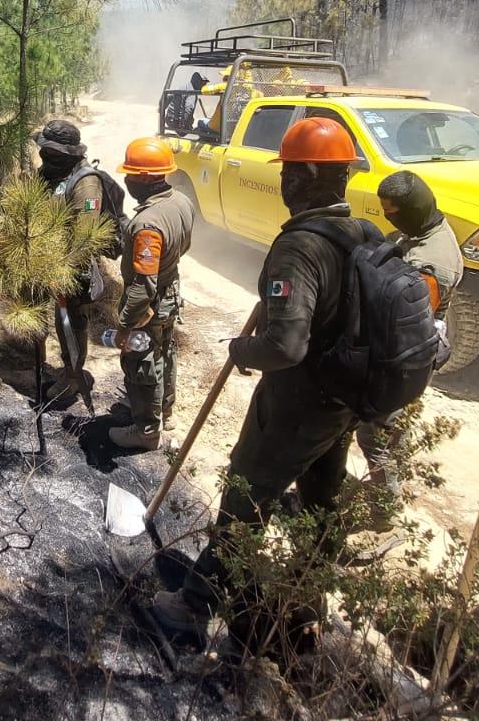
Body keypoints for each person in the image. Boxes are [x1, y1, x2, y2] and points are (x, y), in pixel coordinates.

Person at [151, 117, 375, 638]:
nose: (283, 181)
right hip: (342, 400)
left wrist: (241, 348)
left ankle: (195, 605)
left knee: (248, 493)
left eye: (289, 171)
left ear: (309, 174)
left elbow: (285, 345)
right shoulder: (362, 232)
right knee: (320, 500)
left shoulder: (300, 246)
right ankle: (304, 608)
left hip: (298, 403)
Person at [353, 170, 464, 525]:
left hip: (405, 355)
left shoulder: (434, 263)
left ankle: (385, 513)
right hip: (401, 350)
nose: (390, 218)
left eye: (394, 212)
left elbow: (409, 319)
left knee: (376, 433)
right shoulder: (421, 232)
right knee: (386, 429)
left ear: (413, 209)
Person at [109, 137, 195, 451]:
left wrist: (125, 324)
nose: (127, 180)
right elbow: (184, 246)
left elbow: (143, 284)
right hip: (171, 293)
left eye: (130, 175)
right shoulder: (182, 202)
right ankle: (167, 411)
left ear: (144, 179)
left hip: (151, 303)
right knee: (166, 351)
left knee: (141, 361)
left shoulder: (147, 224)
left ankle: (146, 430)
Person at [30, 120, 117, 402]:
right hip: (45, 257)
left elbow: (85, 236)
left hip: (71, 266)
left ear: (66, 153)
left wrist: (65, 270)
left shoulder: (85, 182)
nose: (43, 155)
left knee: (69, 322)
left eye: (50, 152)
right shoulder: (49, 173)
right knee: (52, 318)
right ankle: (40, 362)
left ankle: (72, 376)